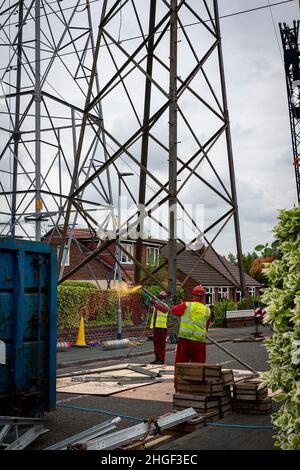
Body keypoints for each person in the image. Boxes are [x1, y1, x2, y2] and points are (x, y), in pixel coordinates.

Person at [171, 285, 212, 390]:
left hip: (185, 340)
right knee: (198, 366)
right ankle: (197, 389)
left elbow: (173, 310)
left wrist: (179, 306)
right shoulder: (207, 311)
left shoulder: (186, 305)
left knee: (181, 365)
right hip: (199, 342)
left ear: (193, 296)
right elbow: (206, 327)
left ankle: (179, 387)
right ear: (203, 297)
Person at [149, 291, 169, 365]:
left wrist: (154, 303)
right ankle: (157, 359)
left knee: (161, 345)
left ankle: (161, 360)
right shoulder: (156, 306)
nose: (159, 299)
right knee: (156, 345)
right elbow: (151, 310)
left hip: (162, 328)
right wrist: (151, 302)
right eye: (159, 298)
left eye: (160, 298)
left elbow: (164, 310)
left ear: (164, 299)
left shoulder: (165, 306)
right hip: (155, 327)